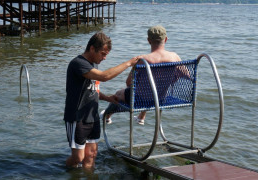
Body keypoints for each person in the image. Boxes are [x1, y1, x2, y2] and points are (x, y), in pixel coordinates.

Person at [63, 32, 139, 169]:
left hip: (92, 117)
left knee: (91, 156)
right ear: (92, 49)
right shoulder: (78, 63)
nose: (104, 58)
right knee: (78, 158)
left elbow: (92, 89)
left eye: (106, 55)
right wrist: (128, 63)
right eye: (103, 54)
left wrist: (107, 97)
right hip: (77, 117)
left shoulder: (93, 64)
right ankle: (64, 171)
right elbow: (104, 77)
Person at [101, 25, 182, 125]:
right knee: (151, 89)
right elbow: (187, 75)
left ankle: (107, 116)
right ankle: (141, 117)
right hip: (161, 99)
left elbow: (128, 82)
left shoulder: (143, 60)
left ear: (148, 40)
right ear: (165, 39)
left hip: (140, 100)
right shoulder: (175, 57)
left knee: (119, 93)